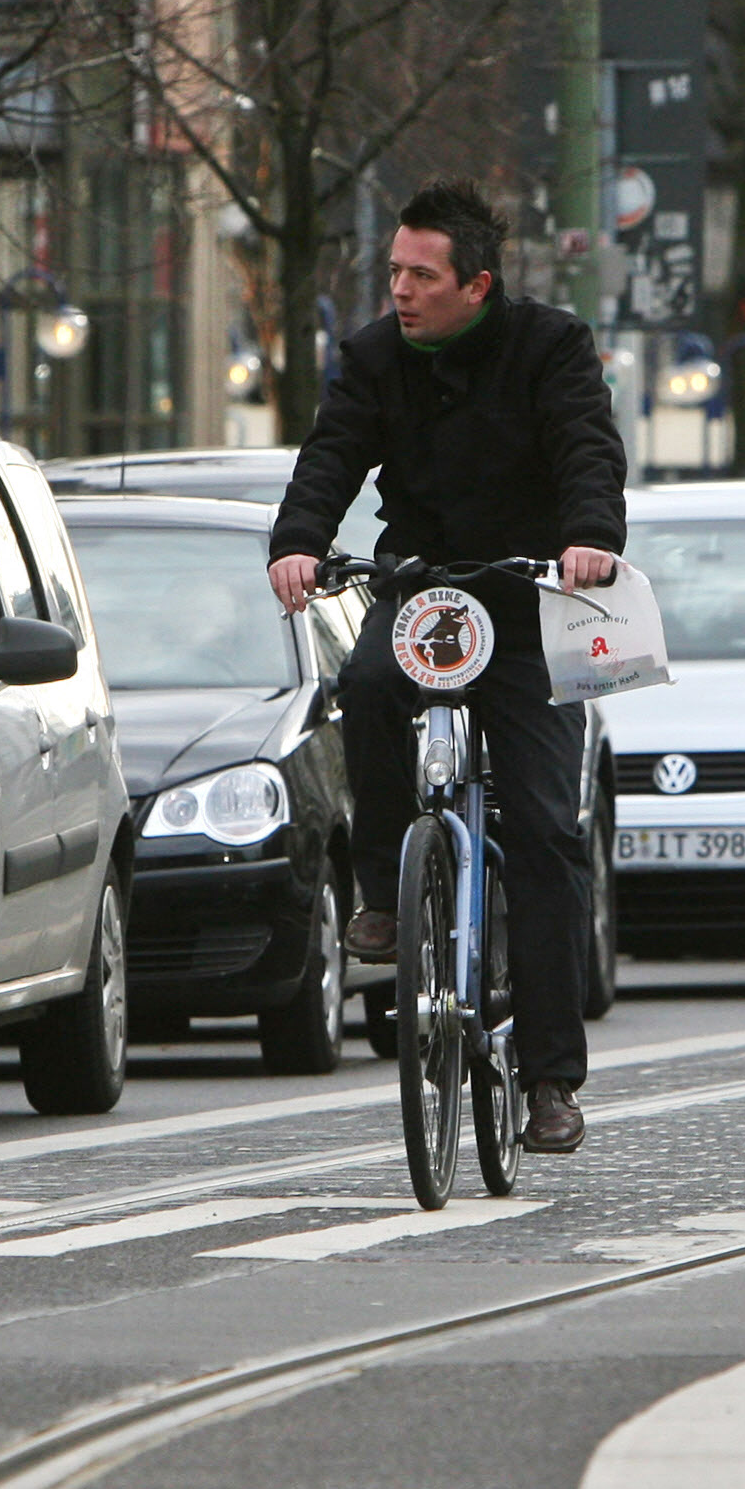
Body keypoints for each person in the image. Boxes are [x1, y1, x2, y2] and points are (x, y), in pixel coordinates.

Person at [268, 180, 625, 1155]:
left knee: (548, 828)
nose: (401, 291)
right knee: (370, 685)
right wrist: (299, 541)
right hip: (421, 589)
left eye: (421, 275)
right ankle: (387, 892)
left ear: (477, 281)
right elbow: (330, 455)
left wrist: (588, 536)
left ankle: (549, 1077)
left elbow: (587, 449)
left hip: (522, 599)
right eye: (393, 272)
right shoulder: (374, 356)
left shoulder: (550, 345)